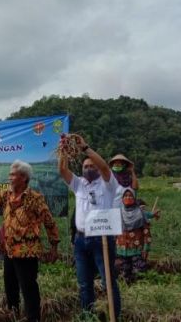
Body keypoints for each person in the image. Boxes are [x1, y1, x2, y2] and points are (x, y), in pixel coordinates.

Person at [0, 160, 59, 322]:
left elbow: (49, 222)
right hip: (9, 251)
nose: (9, 177)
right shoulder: (6, 195)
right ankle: (13, 315)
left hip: (27, 251)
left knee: (28, 287)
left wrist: (54, 247)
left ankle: (33, 318)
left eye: (13, 175)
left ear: (24, 178)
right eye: (10, 174)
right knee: (10, 286)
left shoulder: (35, 198)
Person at [58, 134, 121, 319]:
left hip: (102, 240)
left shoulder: (108, 184)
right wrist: (63, 149)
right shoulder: (79, 184)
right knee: (84, 283)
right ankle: (88, 316)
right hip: (80, 240)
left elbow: (103, 166)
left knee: (107, 282)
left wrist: (85, 148)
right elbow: (62, 170)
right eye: (85, 166)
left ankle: (114, 316)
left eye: (91, 166)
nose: (88, 168)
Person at [116, 188, 152, 284]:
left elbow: (146, 232)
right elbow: (113, 231)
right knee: (123, 275)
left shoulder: (140, 213)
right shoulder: (118, 213)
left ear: (134, 198)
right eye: (126, 196)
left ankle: (137, 293)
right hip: (121, 250)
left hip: (137, 249)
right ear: (122, 198)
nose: (128, 198)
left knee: (138, 274)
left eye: (130, 196)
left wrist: (146, 248)